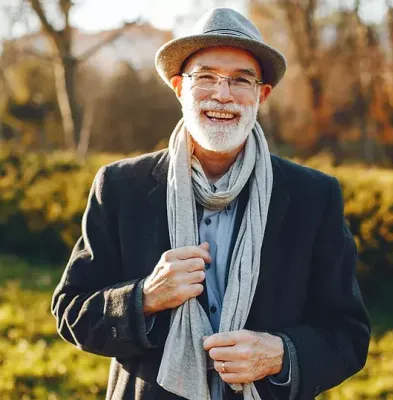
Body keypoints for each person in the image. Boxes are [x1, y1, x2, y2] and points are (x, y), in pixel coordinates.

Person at [51, 7, 370, 400]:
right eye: (205, 77)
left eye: (241, 80)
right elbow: (71, 312)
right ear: (179, 88)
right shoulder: (120, 187)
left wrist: (282, 355)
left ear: (261, 94)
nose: (223, 94)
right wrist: (145, 298)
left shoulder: (314, 196)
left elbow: (349, 333)